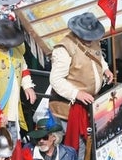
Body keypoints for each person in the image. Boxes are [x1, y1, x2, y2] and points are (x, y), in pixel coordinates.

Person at [48, 12, 114, 147]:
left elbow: (98, 58)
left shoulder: (94, 41)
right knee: (76, 148)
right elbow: (56, 79)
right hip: (69, 109)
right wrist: (76, 94)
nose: (90, 40)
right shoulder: (64, 49)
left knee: (89, 146)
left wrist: (105, 69)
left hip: (91, 105)